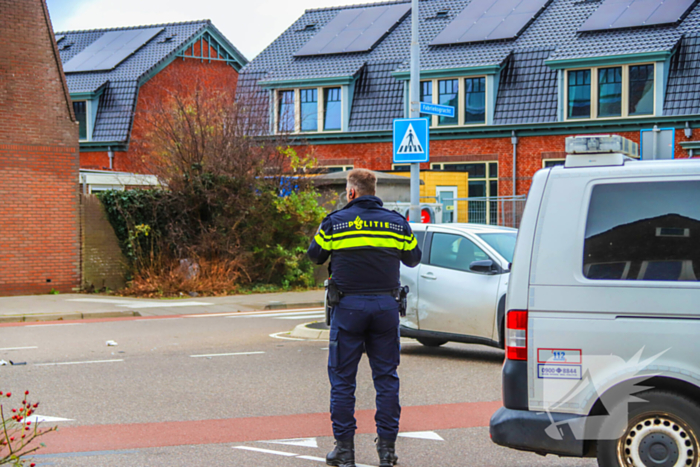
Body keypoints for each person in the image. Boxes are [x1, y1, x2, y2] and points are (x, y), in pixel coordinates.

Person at [307, 169, 422, 467]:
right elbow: (413, 257)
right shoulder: (396, 223)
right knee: (386, 379)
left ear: (351, 192)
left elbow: (314, 255)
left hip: (348, 308)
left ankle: (344, 451)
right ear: (374, 190)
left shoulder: (335, 222)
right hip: (385, 308)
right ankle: (387, 451)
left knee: (343, 381)